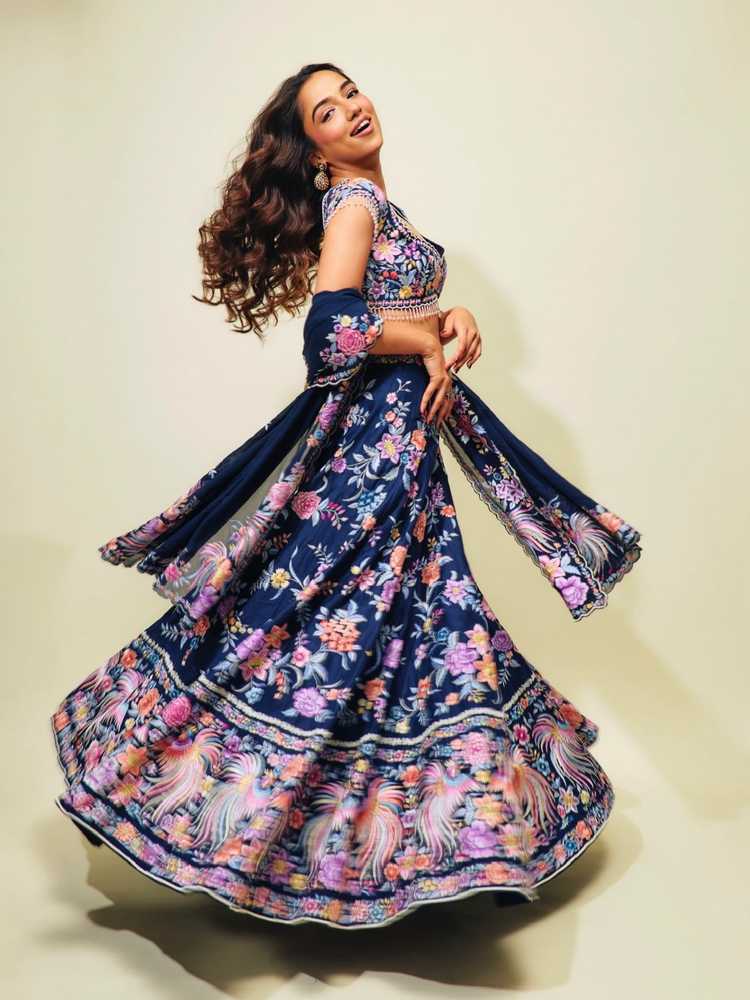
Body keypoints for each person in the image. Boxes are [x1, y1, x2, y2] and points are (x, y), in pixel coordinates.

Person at [51, 63, 642, 931]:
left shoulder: (377, 204)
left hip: (401, 446)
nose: (351, 109)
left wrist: (448, 320)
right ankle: (197, 801)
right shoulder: (354, 206)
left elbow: (392, 306)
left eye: (350, 92)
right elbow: (330, 331)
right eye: (327, 111)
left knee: (402, 630)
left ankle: (419, 844)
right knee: (347, 624)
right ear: (317, 150)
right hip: (372, 456)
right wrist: (424, 337)